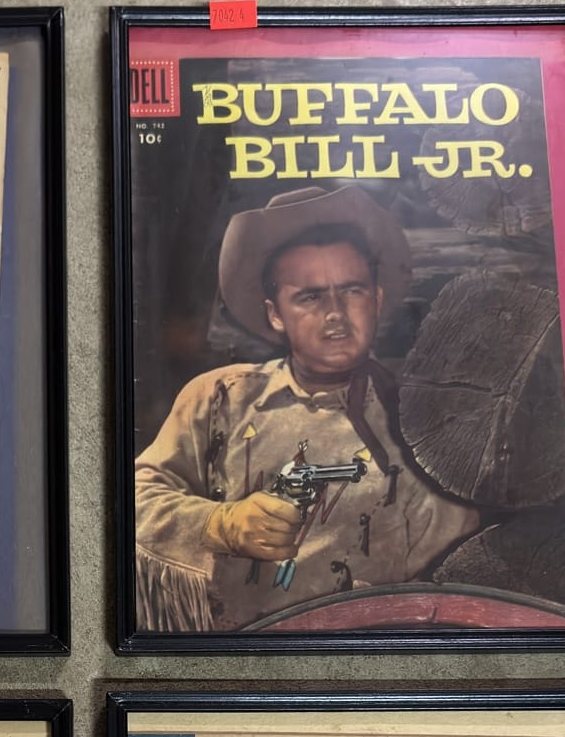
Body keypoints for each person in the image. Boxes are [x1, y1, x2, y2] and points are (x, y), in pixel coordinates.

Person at [133, 184, 478, 632]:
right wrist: (221, 524)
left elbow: (455, 584)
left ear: (376, 301)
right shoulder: (218, 397)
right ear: (275, 314)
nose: (335, 312)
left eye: (351, 290)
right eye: (310, 296)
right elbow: (131, 502)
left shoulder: (424, 422)